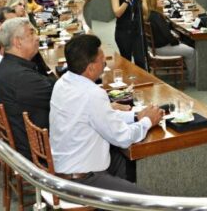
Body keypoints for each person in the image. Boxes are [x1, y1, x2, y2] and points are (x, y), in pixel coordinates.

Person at [50, 34, 163, 192]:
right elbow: (123, 138)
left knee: (125, 164)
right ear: (90, 68)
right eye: (102, 59)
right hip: (83, 179)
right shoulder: (92, 94)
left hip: (65, 166)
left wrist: (135, 116)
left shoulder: (62, 83)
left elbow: (101, 117)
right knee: (147, 201)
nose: (105, 63)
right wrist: (148, 121)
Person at [0, 17, 56, 159]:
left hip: (28, 140)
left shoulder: (10, 66)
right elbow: (63, 98)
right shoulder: (22, 77)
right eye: (31, 33)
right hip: (39, 150)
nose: (37, 38)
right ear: (17, 42)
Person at [145, 0, 195, 83]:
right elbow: (167, 36)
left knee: (185, 44)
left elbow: (165, 33)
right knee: (191, 51)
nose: (162, 0)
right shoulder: (156, 17)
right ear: (153, 2)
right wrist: (177, 41)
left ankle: (190, 74)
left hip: (156, 47)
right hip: (161, 48)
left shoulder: (152, 15)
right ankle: (193, 79)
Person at [111, 0, 147, 69]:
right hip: (123, 32)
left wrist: (140, 0)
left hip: (137, 31)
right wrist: (127, 0)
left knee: (140, 61)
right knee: (126, 61)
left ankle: (143, 83)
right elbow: (117, 13)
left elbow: (146, 12)